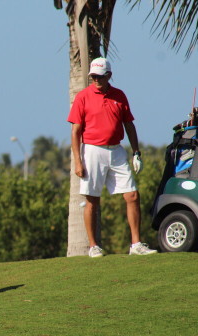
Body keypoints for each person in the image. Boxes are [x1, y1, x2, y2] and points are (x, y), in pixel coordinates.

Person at [68, 57, 157, 258]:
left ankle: (135, 244)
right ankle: (93, 246)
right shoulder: (83, 96)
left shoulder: (119, 96)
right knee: (92, 200)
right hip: (91, 150)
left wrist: (136, 152)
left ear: (109, 75)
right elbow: (75, 132)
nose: (96, 80)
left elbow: (129, 125)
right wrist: (78, 161)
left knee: (132, 195)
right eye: (93, 77)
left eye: (100, 76)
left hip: (116, 150)